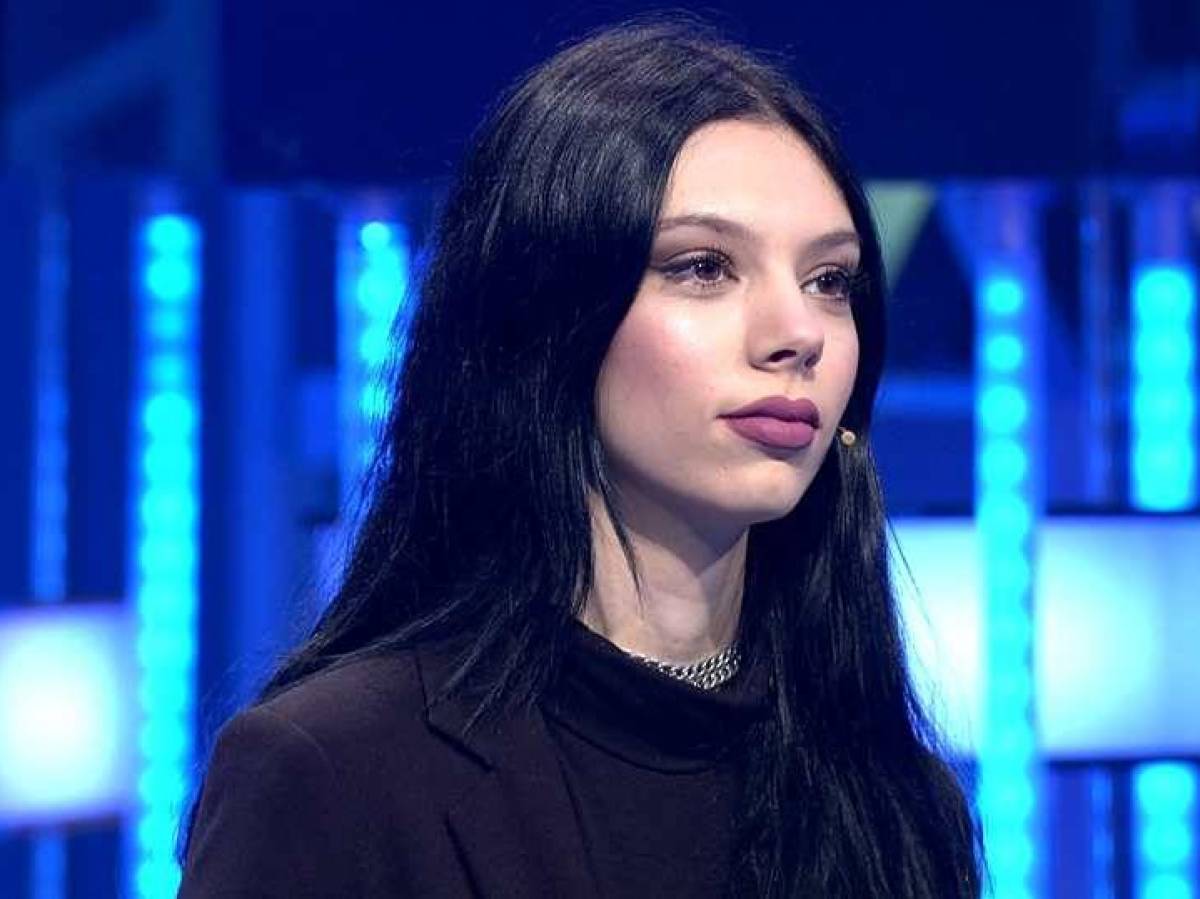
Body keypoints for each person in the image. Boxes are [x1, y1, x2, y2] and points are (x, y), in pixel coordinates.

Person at [178, 15, 982, 898]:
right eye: (704, 267)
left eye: (829, 280)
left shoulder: (902, 807)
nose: (798, 333)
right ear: (549, 320)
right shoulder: (331, 774)